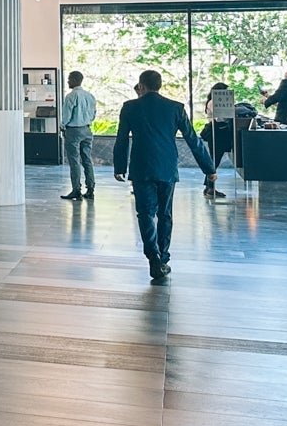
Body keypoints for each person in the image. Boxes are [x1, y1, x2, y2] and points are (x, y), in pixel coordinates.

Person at [113, 70, 218, 283]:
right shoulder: (175, 108)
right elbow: (193, 139)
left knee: (145, 213)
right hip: (167, 167)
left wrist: (119, 166)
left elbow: (121, 139)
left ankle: (153, 256)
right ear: (159, 85)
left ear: (141, 85)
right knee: (165, 214)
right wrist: (209, 168)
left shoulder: (130, 107)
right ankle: (163, 257)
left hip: (141, 167)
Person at [59, 71, 97, 201]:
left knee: (74, 161)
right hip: (87, 130)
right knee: (87, 160)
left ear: (75, 80)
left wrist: (62, 126)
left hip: (73, 131)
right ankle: (90, 189)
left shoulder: (71, 96)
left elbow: (67, 115)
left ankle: (76, 190)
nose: (68, 81)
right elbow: (93, 114)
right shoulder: (90, 96)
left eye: (69, 79)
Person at [199, 83, 231, 198]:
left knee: (214, 160)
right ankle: (210, 187)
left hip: (219, 133)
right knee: (214, 160)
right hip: (216, 133)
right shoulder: (213, 102)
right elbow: (220, 118)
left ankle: (209, 187)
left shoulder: (214, 102)